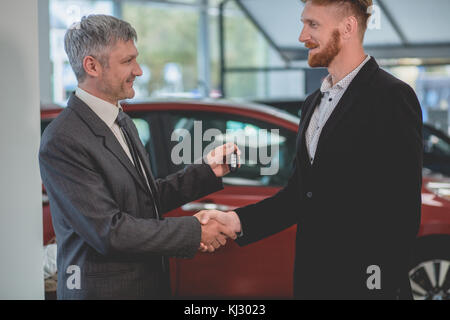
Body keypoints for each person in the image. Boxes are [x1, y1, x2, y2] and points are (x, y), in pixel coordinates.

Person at [197, 0, 423, 299]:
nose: (302, 36)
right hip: (314, 282)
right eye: (303, 24)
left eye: (313, 24)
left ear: (348, 27)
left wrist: (377, 285)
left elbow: (402, 209)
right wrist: (235, 221)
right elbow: (299, 195)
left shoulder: (391, 96)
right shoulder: (313, 104)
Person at [39, 14, 238, 300]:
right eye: (127, 61)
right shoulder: (63, 139)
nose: (139, 70)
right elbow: (109, 232)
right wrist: (195, 231)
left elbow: (143, 201)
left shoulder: (121, 120)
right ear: (92, 66)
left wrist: (206, 172)